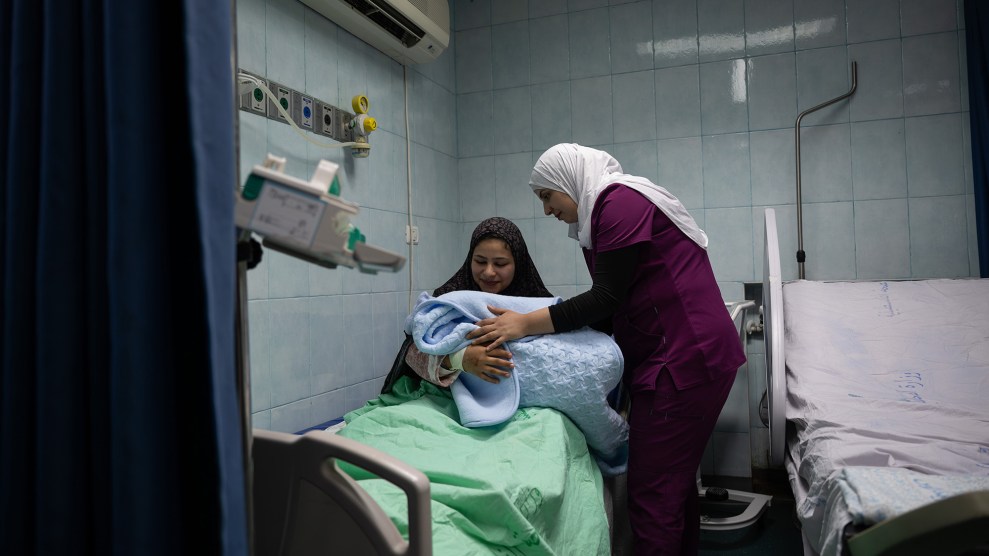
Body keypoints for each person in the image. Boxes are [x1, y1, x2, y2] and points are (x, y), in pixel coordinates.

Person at [466, 143, 746, 555]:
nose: (546, 210)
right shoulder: (599, 219)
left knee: (652, 495)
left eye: (547, 196)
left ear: (568, 181)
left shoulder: (619, 203)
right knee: (674, 487)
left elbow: (606, 298)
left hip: (684, 360)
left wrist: (524, 324)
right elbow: (613, 309)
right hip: (674, 358)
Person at [383, 216, 553, 392]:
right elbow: (412, 353)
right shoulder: (448, 299)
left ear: (518, 263)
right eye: (480, 261)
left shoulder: (538, 306)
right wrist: (459, 359)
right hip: (445, 399)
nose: (488, 272)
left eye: (500, 264)